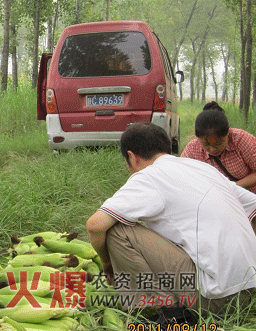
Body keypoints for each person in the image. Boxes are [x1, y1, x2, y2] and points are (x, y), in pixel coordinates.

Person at [86, 123, 256, 323]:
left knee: (117, 230)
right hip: (251, 291)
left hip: (217, 299)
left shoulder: (149, 176)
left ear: (132, 157)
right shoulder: (202, 168)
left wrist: (107, 264)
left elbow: (95, 225)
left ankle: (159, 311)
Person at [181, 101, 256, 194]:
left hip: (250, 198)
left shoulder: (241, 140)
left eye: (218, 143)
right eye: (206, 144)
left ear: (228, 133)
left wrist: (233, 188)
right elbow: (181, 175)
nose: (212, 149)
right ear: (198, 138)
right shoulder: (193, 149)